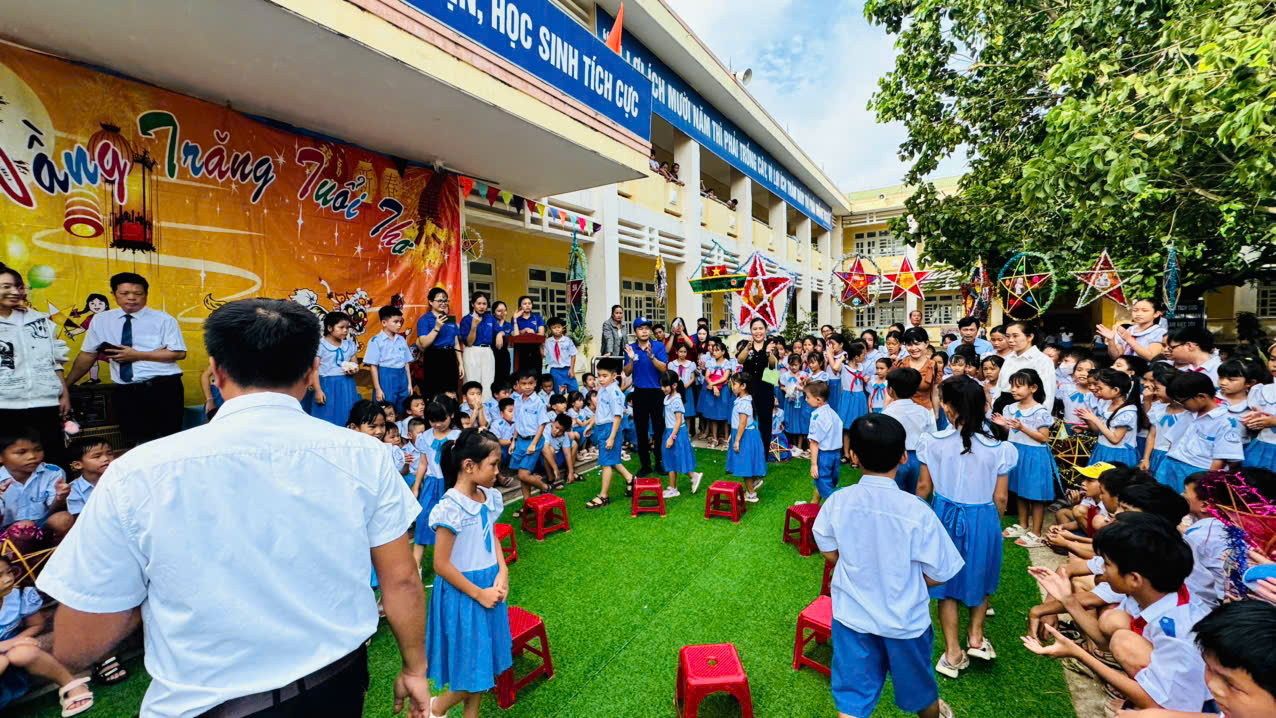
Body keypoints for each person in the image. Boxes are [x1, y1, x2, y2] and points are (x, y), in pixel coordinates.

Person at [37, 298, 431, 717]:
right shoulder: (364, 455)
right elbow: (402, 579)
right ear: (312, 370)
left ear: (217, 371)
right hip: (336, 685)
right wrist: (414, 668)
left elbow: (81, 640)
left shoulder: (137, 471)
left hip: (206, 701)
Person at [813, 414, 962, 718]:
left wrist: (859, 566)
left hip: (852, 619)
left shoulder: (838, 502)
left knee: (852, 702)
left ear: (853, 456)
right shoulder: (917, 511)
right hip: (905, 623)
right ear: (904, 456)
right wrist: (906, 578)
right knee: (922, 694)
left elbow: (828, 549)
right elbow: (940, 572)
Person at [1023, 513, 1211, 713]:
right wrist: (1067, 600)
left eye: (1107, 564)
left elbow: (1160, 705)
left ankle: (1136, 702)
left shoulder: (1178, 633)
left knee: (1124, 642)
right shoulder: (1149, 595)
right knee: (1116, 627)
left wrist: (1078, 652)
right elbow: (1103, 641)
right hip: (1175, 690)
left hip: (1191, 708)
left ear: (1134, 579)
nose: (1102, 571)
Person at [917, 376, 1014, 679]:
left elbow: (924, 488)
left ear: (950, 407)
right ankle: (975, 636)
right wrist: (993, 525)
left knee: (945, 584)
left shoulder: (932, 442)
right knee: (981, 575)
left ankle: (952, 652)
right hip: (983, 517)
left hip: (943, 514)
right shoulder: (999, 448)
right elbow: (1001, 498)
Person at [425, 428, 512, 718]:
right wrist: (478, 594)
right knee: (475, 668)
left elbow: (492, 535)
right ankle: (435, 708)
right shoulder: (451, 508)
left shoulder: (487, 496)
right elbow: (440, 564)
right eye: (493, 465)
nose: (498, 472)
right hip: (465, 592)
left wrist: (502, 570)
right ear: (469, 466)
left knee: (482, 664)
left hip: (488, 585)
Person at [65, 272, 186, 446]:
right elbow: (88, 354)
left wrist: (137, 355)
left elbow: (179, 353)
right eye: (124, 293)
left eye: (138, 294)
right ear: (114, 294)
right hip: (126, 390)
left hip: (162, 387)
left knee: (167, 442)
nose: (131, 298)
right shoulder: (100, 320)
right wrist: (66, 385)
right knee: (134, 442)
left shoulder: (163, 320)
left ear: (146, 295)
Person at [0, 555, 95, 715]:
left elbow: (36, 624)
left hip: (12, 648)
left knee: (24, 653)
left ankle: (70, 684)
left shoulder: (20, 596)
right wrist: (7, 645)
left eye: (9, 572)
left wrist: (16, 641)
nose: (8, 579)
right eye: (0, 576)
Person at [0, 264, 71, 469]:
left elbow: (54, 360)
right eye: (6, 287)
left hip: (45, 402)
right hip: (5, 405)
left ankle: (56, 492)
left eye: (19, 286)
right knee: (11, 464)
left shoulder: (39, 321)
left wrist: (63, 393)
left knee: (53, 459)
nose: (15, 292)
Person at [992, 369, 1057, 548]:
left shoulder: (1040, 411)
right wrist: (1004, 425)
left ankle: (1036, 532)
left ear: (1033, 388)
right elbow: (1012, 431)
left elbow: (1044, 438)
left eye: (1019, 386)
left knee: (1036, 495)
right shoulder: (1010, 408)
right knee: (1019, 490)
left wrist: (1022, 428)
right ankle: (1023, 525)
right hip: (1016, 451)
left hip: (1035, 455)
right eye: (1012, 386)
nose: (1013, 390)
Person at [1157, 372, 1244, 491]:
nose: (1182, 406)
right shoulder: (1188, 414)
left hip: (1196, 473)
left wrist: (1208, 482)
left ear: (1201, 397)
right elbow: (1174, 441)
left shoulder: (1225, 422)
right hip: (1170, 465)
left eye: (1183, 402)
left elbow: (1220, 459)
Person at [0, 429, 72, 540]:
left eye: (37, 450)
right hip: (5, 532)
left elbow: (52, 510)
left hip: (42, 526)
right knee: (23, 527)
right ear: (1, 457)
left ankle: (53, 549)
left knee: (64, 519)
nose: (32, 456)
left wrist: (59, 499)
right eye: (21, 452)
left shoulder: (53, 472)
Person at [624, 317, 668, 476]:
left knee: (658, 429)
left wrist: (651, 357)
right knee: (641, 430)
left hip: (656, 392)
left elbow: (663, 368)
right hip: (639, 392)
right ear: (635, 332)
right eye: (640, 328)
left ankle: (659, 462)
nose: (644, 331)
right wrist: (630, 359)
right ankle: (645, 464)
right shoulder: (631, 348)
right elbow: (627, 372)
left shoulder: (658, 346)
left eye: (647, 328)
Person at [881, 367, 937, 495]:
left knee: (895, 493)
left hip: (896, 458)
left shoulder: (887, 414)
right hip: (919, 459)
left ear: (890, 390)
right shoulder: (925, 412)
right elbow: (932, 437)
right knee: (916, 492)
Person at [587, 359, 634, 509]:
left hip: (610, 429)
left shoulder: (615, 393)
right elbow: (600, 411)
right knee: (610, 458)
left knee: (606, 463)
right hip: (602, 427)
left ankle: (603, 496)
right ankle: (630, 478)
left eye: (604, 376)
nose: (600, 379)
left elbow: (617, 416)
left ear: (614, 376)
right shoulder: (603, 389)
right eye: (599, 375)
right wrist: (591, 425)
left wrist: (612, 437)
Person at [1082, 368, 1146, 467]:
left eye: (1101, 388)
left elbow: (1115, 439)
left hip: (1117, 454)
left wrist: (1095, 419)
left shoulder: (1127, 412)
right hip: (1102, 448)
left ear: (1116, 390)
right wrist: (1088, 419)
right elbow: (1100, 431)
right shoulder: (1107, 404)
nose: (1098, 391)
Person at [308, 311, 361, 425]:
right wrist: (318, 390)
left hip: (347, 384)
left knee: (347, 413)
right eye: (341, 327)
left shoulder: (349, 345)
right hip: (327, 385)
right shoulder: (320, 345)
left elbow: (355, 365)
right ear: (329, 328)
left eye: (347, 328)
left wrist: (354, 370)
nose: (345, 331)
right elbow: (315, 370)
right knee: (327, 414)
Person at [737, 318, 779, 455]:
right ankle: (747, 451)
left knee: (765, 423)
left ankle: (763, 454)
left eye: (761, 328)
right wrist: (747, 348)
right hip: (749, 390)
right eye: (755, 329)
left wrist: (768, 353)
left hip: (766, 389)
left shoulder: (771, 345)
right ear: (751, 331)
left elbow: (773, 365)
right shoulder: (747, 346)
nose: (758, 332)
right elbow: (740, 360)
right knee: (747, 420)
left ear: (765, 330)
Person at [415, 288, 463, 400]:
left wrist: (460, 363)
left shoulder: (450, 319)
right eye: (440, 301)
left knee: (451, 392)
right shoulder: (424, 320)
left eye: (445, 300)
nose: (443, 303)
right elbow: (423, 343)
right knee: (434, 393)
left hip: (450, 357)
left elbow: (456, 342)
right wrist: (436, 328)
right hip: (434, 357)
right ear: (431, 302)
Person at [998, 320, 1057, 411]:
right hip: (1002, 407)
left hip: (1027, 409)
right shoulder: (1009, 358)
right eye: (1008, 336)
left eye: (1015, 336)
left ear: (1030, 337)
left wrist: (1041, 415)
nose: (1010, 340)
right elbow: (1000, 385)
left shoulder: (1042, 360)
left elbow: (1047, 394)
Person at [725, 373, 766, 503]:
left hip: (745, 437)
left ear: (743, 386)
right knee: (746, 463)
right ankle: (754, 482)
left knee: (744, 465)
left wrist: (737, 440)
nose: (732, 386)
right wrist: (733, 434)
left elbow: (743, 423)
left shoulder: (744, 403)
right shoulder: (742, 400)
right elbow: (739, 422)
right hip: (744, 434)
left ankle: (751, 494)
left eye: (734, 384)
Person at [660, 370, 700, 497]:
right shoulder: (668, 397)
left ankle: (691, 477)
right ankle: (674, 487)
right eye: (662, 385)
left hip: (676, 432)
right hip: (670, 431)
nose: (663, 388)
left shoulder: (676, 400)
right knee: (670, 458)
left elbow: (678, 421)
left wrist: (672, 437)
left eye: (665, 386)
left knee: (677, 458)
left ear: (674, 385)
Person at [365, 305, 414, 410]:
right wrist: (378, 389)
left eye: (400, 321)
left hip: (402, 377)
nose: (399, 325)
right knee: (387, 408)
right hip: (386, 377)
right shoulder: (376, 341)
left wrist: (409, 384)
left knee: (403, 407)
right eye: (395, 322)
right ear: (384, 323)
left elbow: (406, 363)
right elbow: (373, 367)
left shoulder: (402, 340)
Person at [804, 380, 842, 504]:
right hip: (836, 454)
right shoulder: (833, 413)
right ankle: (814, 503)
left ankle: (838, 506)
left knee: (825, 486)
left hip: (824, 456)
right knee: (828, 482)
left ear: (818, 400)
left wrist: (814, 464)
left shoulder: (817, 417)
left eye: (808, 397)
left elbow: (814, 443)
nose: (806, 400)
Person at [459, 292, 499, 401]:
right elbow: (469, 342)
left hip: (487, 351)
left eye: (484, 304)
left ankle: (486, 407)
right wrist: (473, 327)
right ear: (473, 304)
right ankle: (471, 407)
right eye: (479, 303)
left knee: (488, 381)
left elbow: (499, 330)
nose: (482, 306)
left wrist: (500, 334)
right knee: (472, 380)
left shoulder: (490, 318)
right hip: (472, 350)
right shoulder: (466, 319)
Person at [1100, 299, 1167, 361]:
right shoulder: (1129, 330)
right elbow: (1116, 357)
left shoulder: (1159, 332)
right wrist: (1111, 341)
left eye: (1144, 310)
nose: (1138, 314)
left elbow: (1151, 357)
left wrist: (1129, 340)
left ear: (1156, 314)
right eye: (1135, 310)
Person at [897, 328, 937, 414]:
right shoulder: (901, 364)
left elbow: (935, 393)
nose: (913, 348)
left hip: (926, 412)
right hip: (904, 412)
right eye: (909, 345)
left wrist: (936, 414)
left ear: (926, 344)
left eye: (917, 344)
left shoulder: (933, 366)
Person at [543, 317, 578, 394]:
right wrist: (546, 368)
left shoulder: (568, 340)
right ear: (550, 329)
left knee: (574, 390)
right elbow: (546, 355)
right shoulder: (548, 342)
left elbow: (573, 355)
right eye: (554, 328)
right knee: (559, 392)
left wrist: (572, 369)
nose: (557, 330)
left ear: (562, 328)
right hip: (555, 371)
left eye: (559, 327)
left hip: (567, 369)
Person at [492, 300, 514, 387]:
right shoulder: (490, 323)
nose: (502, 313)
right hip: (492, 353)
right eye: (499, 311)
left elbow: (514, 335)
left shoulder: (508, 325)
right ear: (493, 313)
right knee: (494, 378)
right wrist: (500, 328)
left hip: (504, 354)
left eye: (504, 310)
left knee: (505, 378)